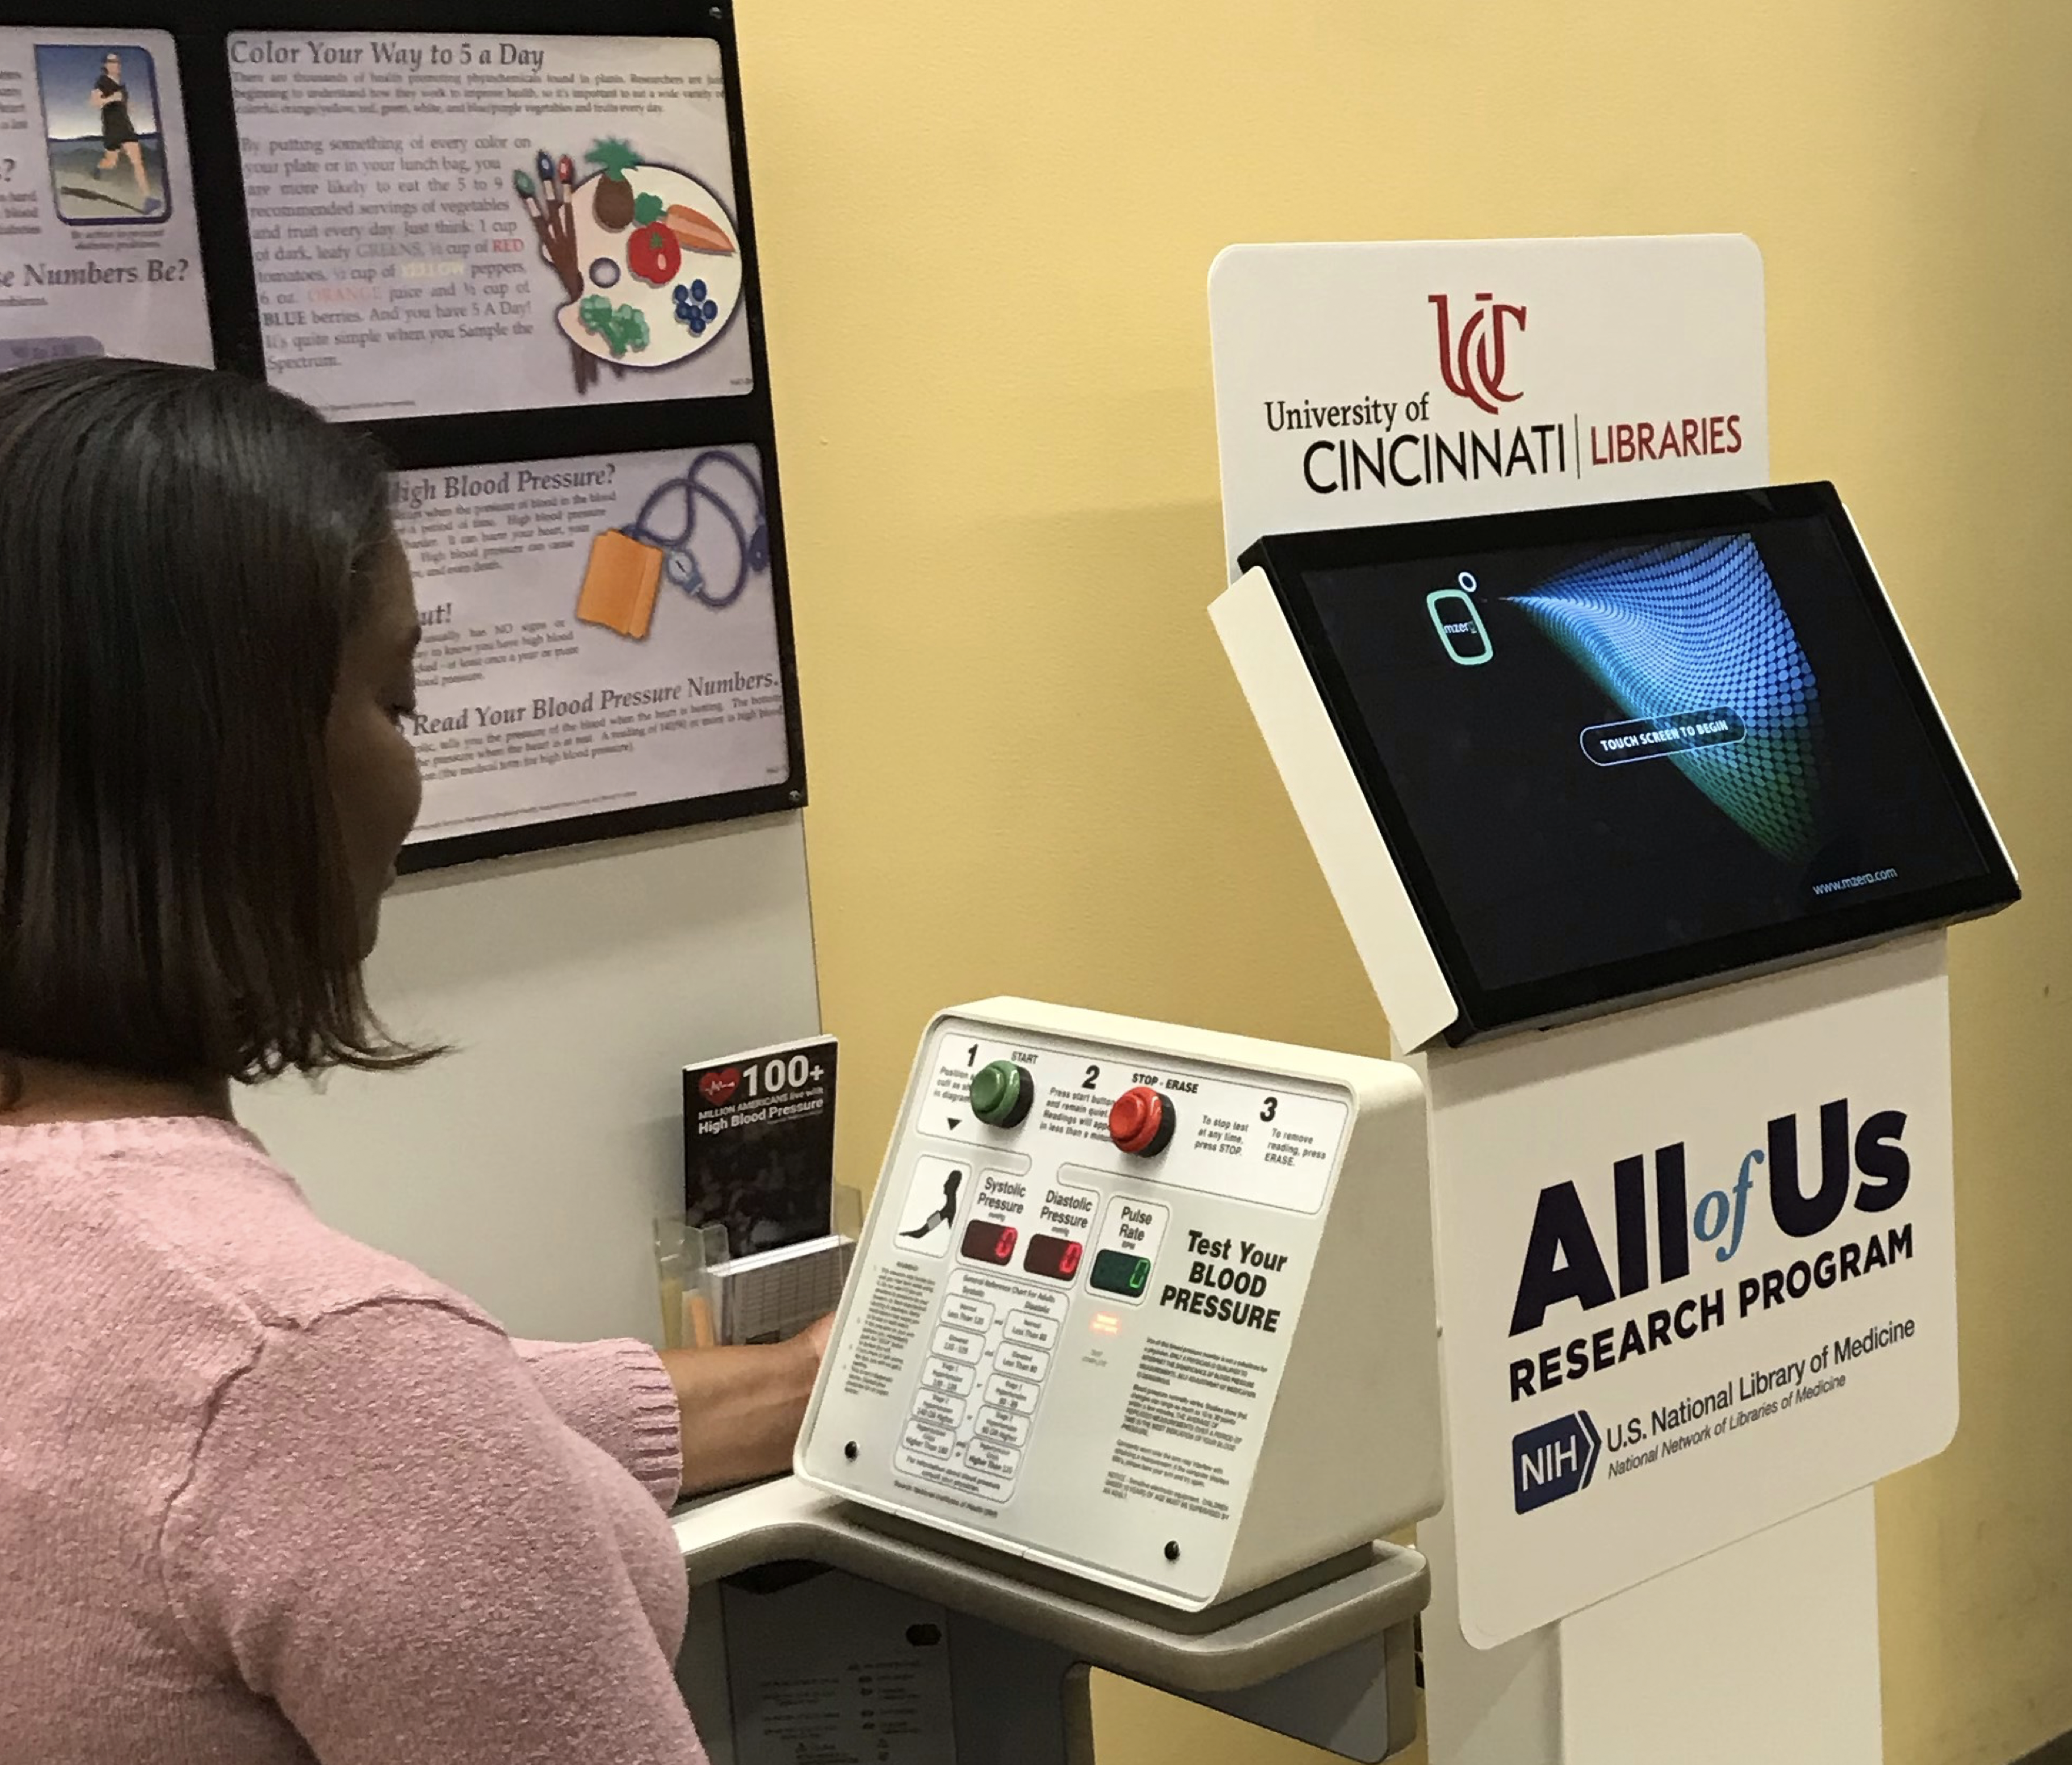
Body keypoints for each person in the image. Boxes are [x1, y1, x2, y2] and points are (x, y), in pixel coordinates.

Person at [0, 358, 822, 1763]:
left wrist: (797, 1389)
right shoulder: (311, 1367)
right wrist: (428, 1403)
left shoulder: (191, 1334)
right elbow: (326, 1422)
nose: (407, 775)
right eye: (398, 701)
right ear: (229, 772)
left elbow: (215, 1452)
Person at [89, 51, 157, 213]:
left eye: (117, 62)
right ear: (105, 65)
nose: (116, 65)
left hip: (126, 126)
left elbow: (124, 103)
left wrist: (131, 106)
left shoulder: (121, 85)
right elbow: (94, 102)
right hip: (112, 128)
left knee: (137, 162)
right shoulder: (102, 82)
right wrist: (112, 98)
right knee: (111, 163)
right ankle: (99, 167)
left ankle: (148, 199)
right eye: (111, 62)